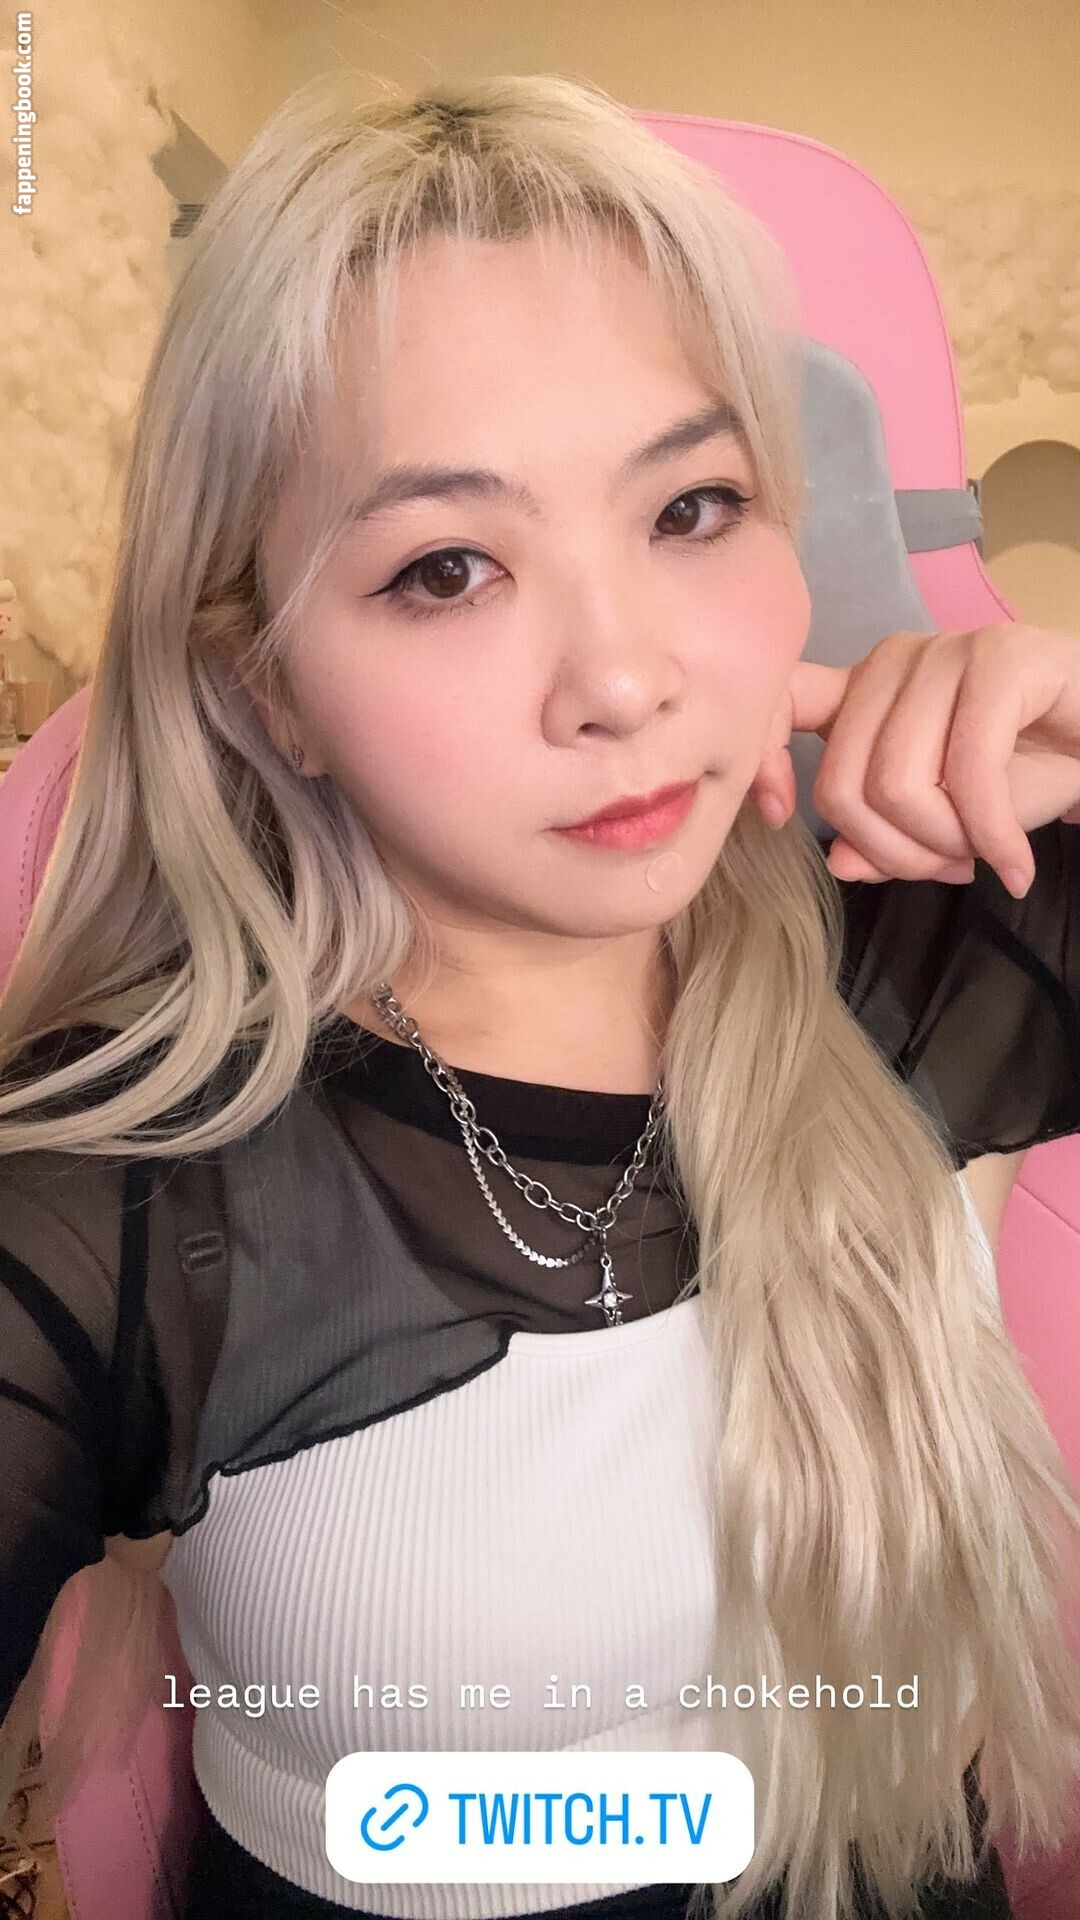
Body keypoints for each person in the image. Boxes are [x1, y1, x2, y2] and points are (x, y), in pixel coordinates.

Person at [1, 72, 1079, 1920]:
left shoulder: (918, 944)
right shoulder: (136, 1190)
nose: (627, 680)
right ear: (270, 694)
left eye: (692, 507)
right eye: (448, 568)